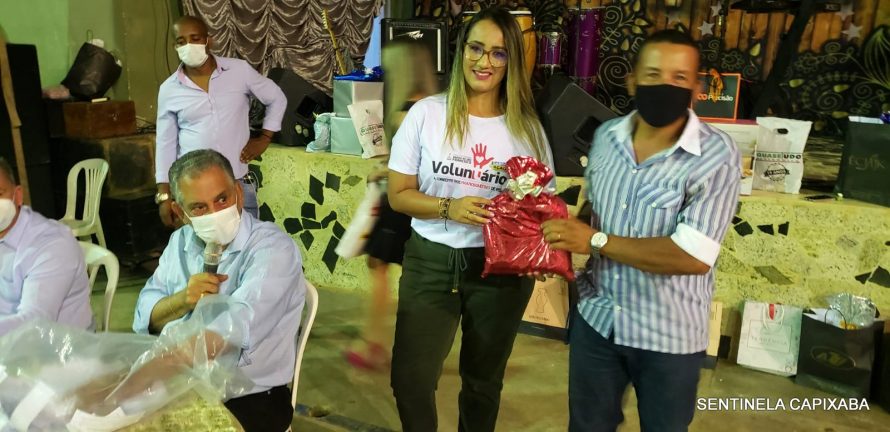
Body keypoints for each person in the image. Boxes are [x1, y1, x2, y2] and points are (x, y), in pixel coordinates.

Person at [541, 29, 741, 431]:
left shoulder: (717, 155)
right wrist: (552, 239)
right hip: (597, 323)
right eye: (653, 74)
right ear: (632, 81)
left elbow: (692, 257)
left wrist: (594, 241)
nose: (665, 85)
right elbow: (594, 212)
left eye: (679, 77)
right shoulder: (606, 138)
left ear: (696, 87)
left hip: (669, 338)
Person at [387, 7, 553, 431]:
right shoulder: (427, 114)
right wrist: (449, 208)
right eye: (476, 49)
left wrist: (539, 246)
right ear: (461, 51)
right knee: (410, 380)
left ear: (511, 61)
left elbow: (539, 207)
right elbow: (398, 195)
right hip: (431, 261)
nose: (485, 62)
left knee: (483, 383)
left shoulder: (528, 129)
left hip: (499, 272)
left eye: (498, 53)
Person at [133, 149, 305, 431]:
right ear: (180, 212)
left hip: (249, 396)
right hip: (181, 384)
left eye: (222, 199)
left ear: (238, 193)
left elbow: (234, 329)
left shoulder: (272, 249)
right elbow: (145, 315)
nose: (215, 214)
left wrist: (151, 372)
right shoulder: (180, 241)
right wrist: (182, 301)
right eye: (199, 208)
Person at [344, 39, 438, 370]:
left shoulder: (407, 111)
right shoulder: (430, 106)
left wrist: (383, 171)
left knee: (382, 269)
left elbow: (411, 164)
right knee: (396, 272)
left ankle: (375, 342)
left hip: (400, 203)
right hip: (414, 201)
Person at [154, 15, 287, 227]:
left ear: (209, 41)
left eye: (195, 38)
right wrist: (164, 195)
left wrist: (265, 138)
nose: (188, 45)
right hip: (193, 192)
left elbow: (276, 97)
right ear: (175, 46)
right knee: (202, 246)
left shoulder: (239, 71)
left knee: (246, 242)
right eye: (181, 41)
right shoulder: (169, 89)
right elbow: (165, 143)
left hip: (236, 184)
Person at [0, 158, 93, 335]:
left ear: (17, 196)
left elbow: (34, 322)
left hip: (61, 347)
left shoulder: (52, 244)